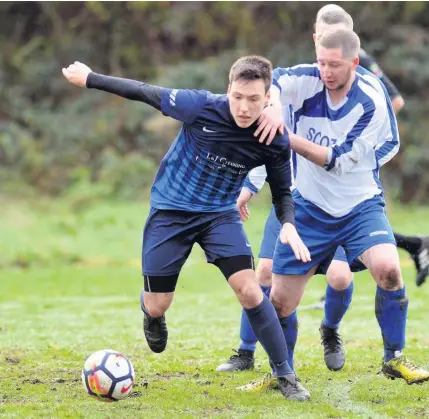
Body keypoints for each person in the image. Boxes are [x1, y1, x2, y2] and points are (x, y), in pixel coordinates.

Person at [62, 56, 312, 401]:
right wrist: (91, 78)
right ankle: (151, 313)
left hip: (219, 216)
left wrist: (288, 225)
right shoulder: (201, 107)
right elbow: (144, 92)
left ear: (268, 97)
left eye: (254, 100)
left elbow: (283, 192)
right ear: (229, 91)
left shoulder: (273, 139)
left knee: (251, 290)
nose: (243, 107)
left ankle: (285, 373)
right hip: (170, 213)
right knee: (158, 303)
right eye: (238, 97)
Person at [216, 4, 429, 376]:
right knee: (277, 296)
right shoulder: (306, 77)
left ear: (355, 63)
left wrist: (286, 136)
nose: (325, 72)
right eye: (321, 63)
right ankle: (275, 370)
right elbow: (272, 81)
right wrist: (276, 106)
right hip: (306, 207)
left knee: (388, 271)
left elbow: (337, 159)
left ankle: (392, 358)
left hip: (359, 206)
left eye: (334, 65)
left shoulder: (371, 100)